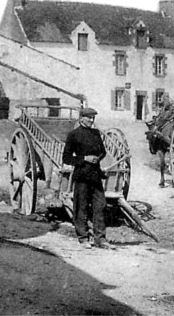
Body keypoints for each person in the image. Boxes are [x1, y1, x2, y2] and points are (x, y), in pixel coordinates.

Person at [63, 107, 113, 249]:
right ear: (81, 118)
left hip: (95, 175)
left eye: (93, 118)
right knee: (81, 207)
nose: (92, 120)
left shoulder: (96, 133)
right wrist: (84, 158)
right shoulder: (73, 135)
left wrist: (98, 158)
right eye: (89, 118)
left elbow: (103, 151)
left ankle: (100, 238)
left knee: (100, 206)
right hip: (82, 174)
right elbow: (66, 158)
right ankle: (83, 237)